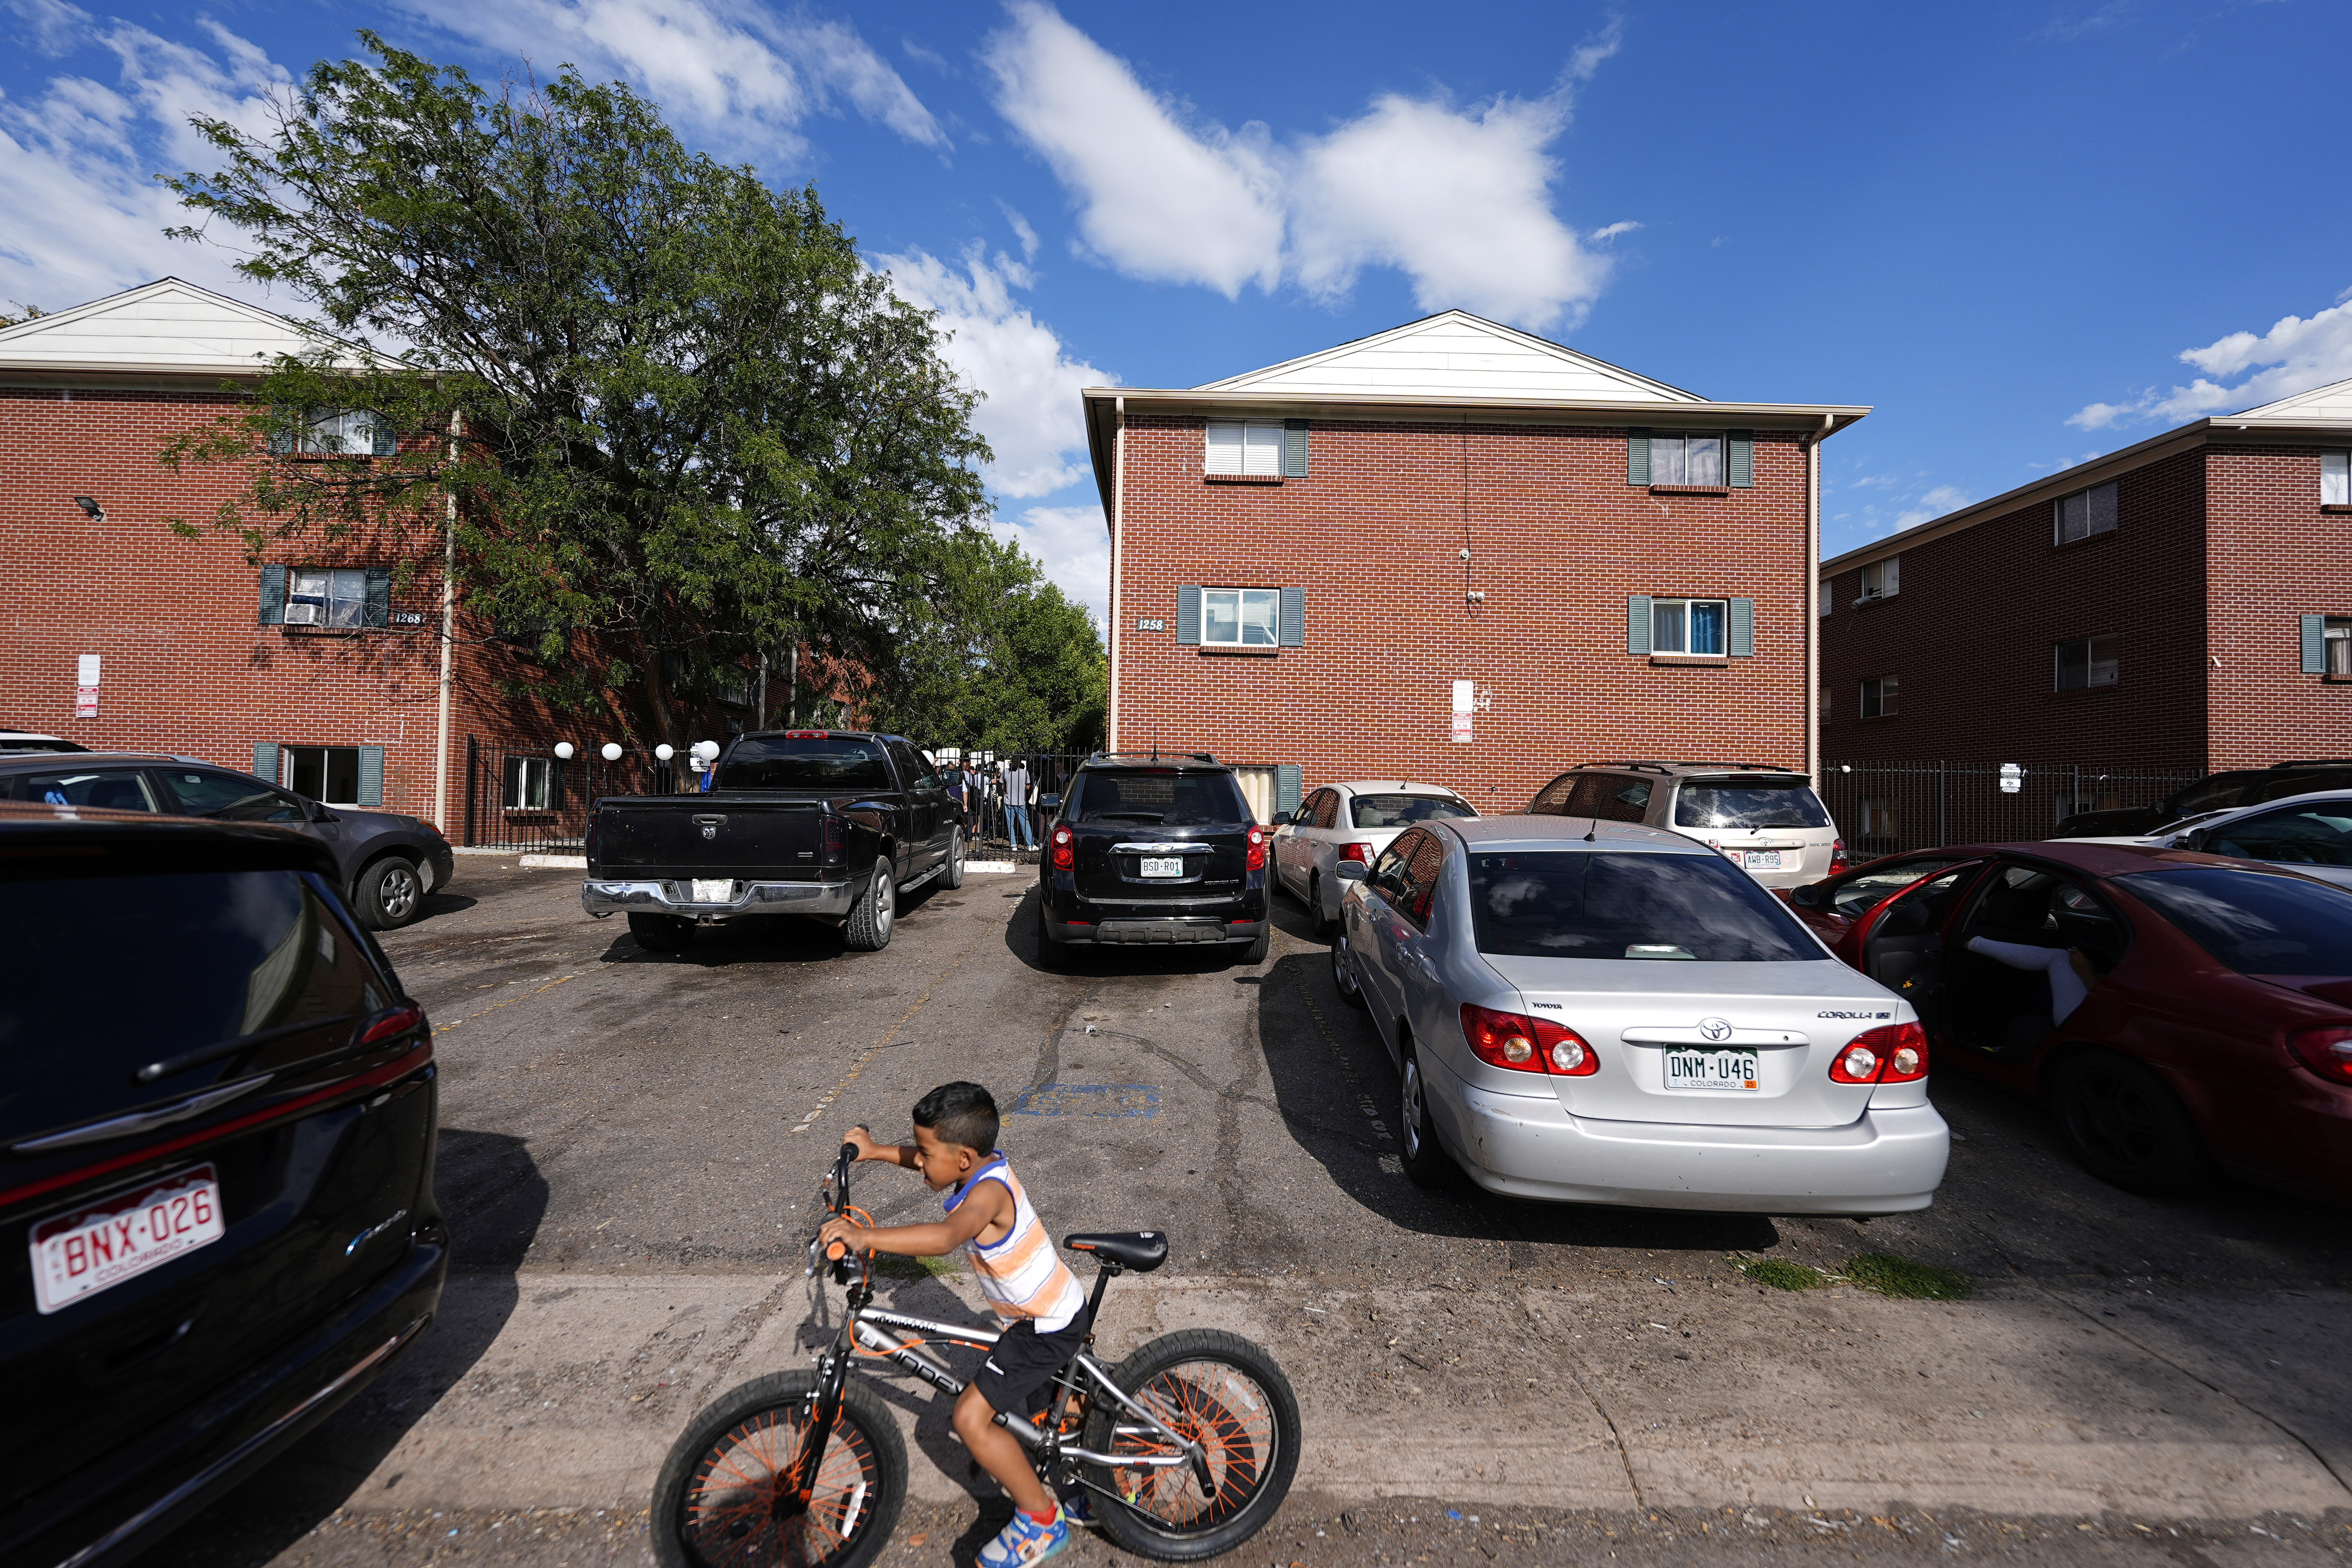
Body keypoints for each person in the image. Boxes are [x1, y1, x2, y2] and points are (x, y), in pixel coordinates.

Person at [818, 1083, 1087, 1567]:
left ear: (964, 1157)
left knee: (968, 1418)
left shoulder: (987, 1195)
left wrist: (864, 1235)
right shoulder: (979, 1164)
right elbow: (933, 1156)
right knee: (1041, 1415)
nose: (918, 1162)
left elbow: (945, 1238)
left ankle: (1042, 1520)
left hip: (1042, 1325)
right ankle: (1075, 1465)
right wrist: (875, 1151)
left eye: (923, 1153)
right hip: (1046, 1308)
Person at [1004, 757, 1035, 851]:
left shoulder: (1006, 772)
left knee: (1010, 823)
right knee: (1025, 823)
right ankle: (1030, 845)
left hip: (1009, 800)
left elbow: (1003, 786)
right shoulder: (1025, 773)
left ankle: (1013, 844)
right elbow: (1028, 787)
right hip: (1020, 801)